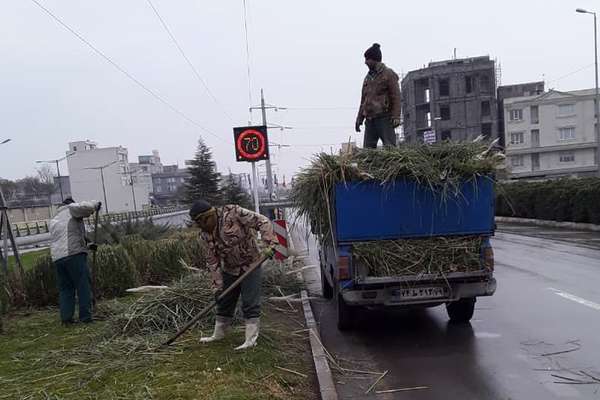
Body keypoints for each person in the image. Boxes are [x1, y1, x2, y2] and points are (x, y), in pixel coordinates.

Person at [190, 200, 278, 350]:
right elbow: (212, 263)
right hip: (230, 269)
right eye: (198, 224)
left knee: (250, 301)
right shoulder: (205, 236)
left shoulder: (234, 213)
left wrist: (270, 243)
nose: (201, 226)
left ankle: (250, 339)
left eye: (202, 222)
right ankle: (219, 334)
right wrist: (217, 287)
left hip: (251, 264)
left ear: (209, 216)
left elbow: (262, 221)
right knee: (224, 300)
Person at [49, 197, 101, 325]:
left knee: (66, 288)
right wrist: (95, 204)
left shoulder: (54, 219)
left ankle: (66, 319)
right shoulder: (70, 209)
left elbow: (65, 240)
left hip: (58, 258)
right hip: (74, 256)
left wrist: (88, 246)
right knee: (83, 285)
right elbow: (86, 207)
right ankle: (86, 317)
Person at [355, 43, 402, 148]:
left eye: (367, 59)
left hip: (384, 118)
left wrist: (396, 116)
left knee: (390, 148)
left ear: (374, 59)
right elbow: (363, 101)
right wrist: (359, 119)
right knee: (368, 151)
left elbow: (396, 96)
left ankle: (392, 165)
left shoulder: (388, 74)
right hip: (370, 120)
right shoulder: (367, 78)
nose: (365, 62)